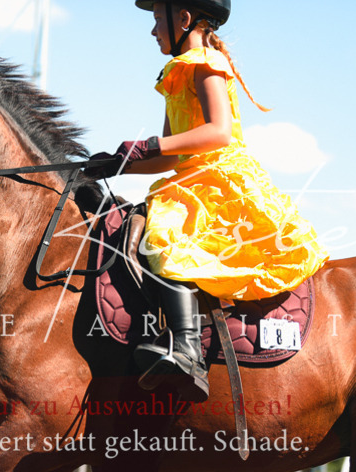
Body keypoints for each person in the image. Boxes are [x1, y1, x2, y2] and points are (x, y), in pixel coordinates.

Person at [90, 1, 330, 400]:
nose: (153, 31)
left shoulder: (206, 61)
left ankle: (186, 349)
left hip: (219, 177)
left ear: (183, 19)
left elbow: (219, 132)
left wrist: (149, 143)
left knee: (164, 237)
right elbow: (171, 156)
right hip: (191, 175)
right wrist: (118, 165)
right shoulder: (177, 71)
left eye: (156, 20)